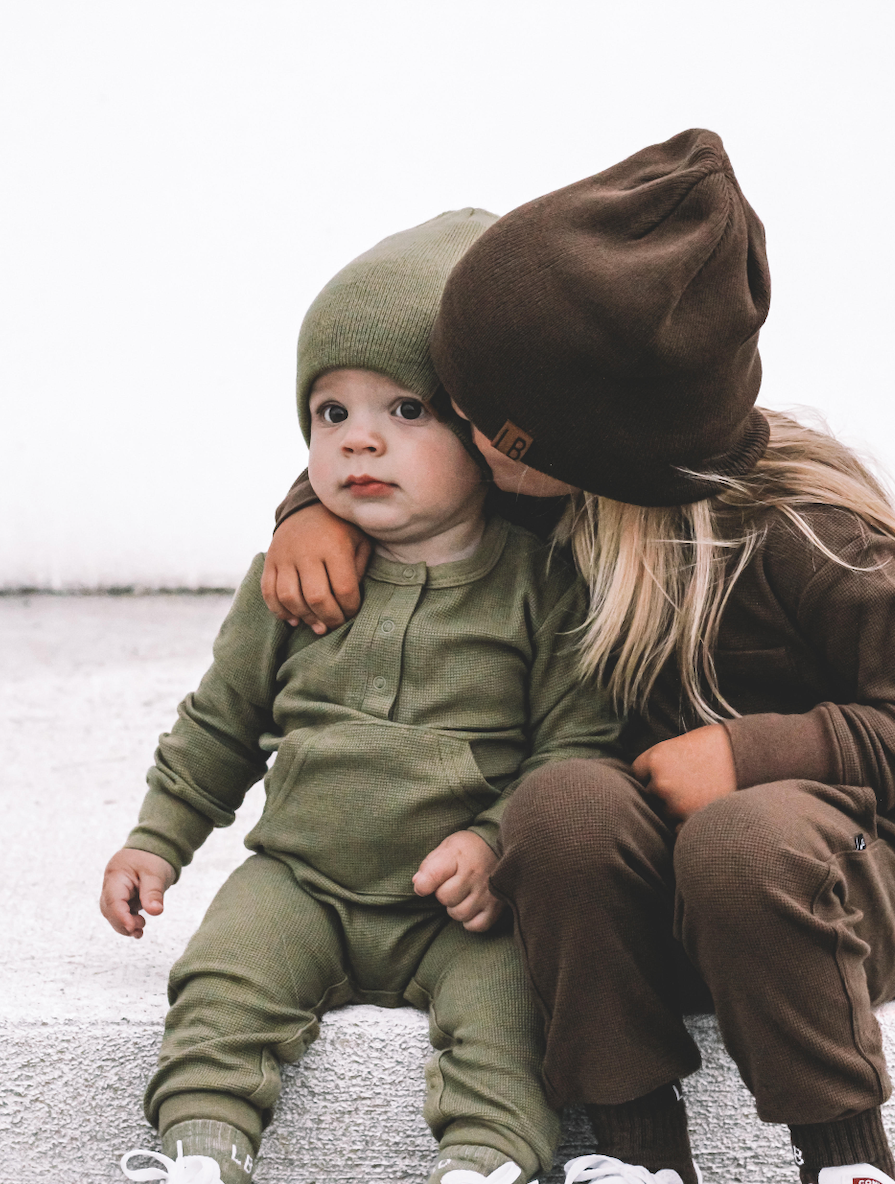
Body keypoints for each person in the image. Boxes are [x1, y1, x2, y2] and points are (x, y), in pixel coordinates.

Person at [261, 130, 895, 1184]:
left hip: (829, 884)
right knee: (558, 802)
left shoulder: (812, 536)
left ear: (587, 443)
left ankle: (845, 1155)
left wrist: (755, 752)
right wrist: (305, 511)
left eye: (481, 418)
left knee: (745, 834)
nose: (459, 429)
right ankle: (637, 1152)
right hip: (653, 894)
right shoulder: (553, 491)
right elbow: (404, 458)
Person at [101, 209, 621, 1184]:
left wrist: (495, 839)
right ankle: (199, 1149)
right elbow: (222, 719)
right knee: (221, 975)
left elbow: (574, 747)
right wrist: (157, 836)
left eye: (405, 411)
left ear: (482, 431)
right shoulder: (294, 578)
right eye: (331, 413)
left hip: (462, 902)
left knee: (512, 1007)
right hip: (304, 876)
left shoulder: (539, 584)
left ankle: (489, 1156)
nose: (359, 443)